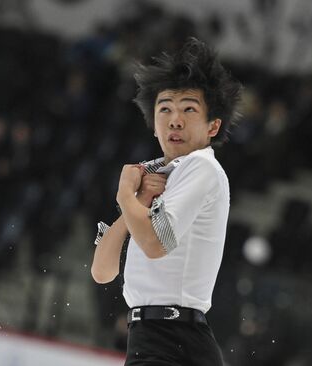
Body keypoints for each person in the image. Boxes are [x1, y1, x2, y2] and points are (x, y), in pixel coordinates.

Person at [91, 37, 242, 366]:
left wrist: (124, 197)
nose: (175, 119)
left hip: (174, 340)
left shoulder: (201, 166)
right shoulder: (153, 176)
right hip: (153, 339)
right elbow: (102, 271)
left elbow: (156, 243)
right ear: (153, 123)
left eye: (189, 109)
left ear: (213, 125)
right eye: (165, 109)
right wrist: (139, 199)